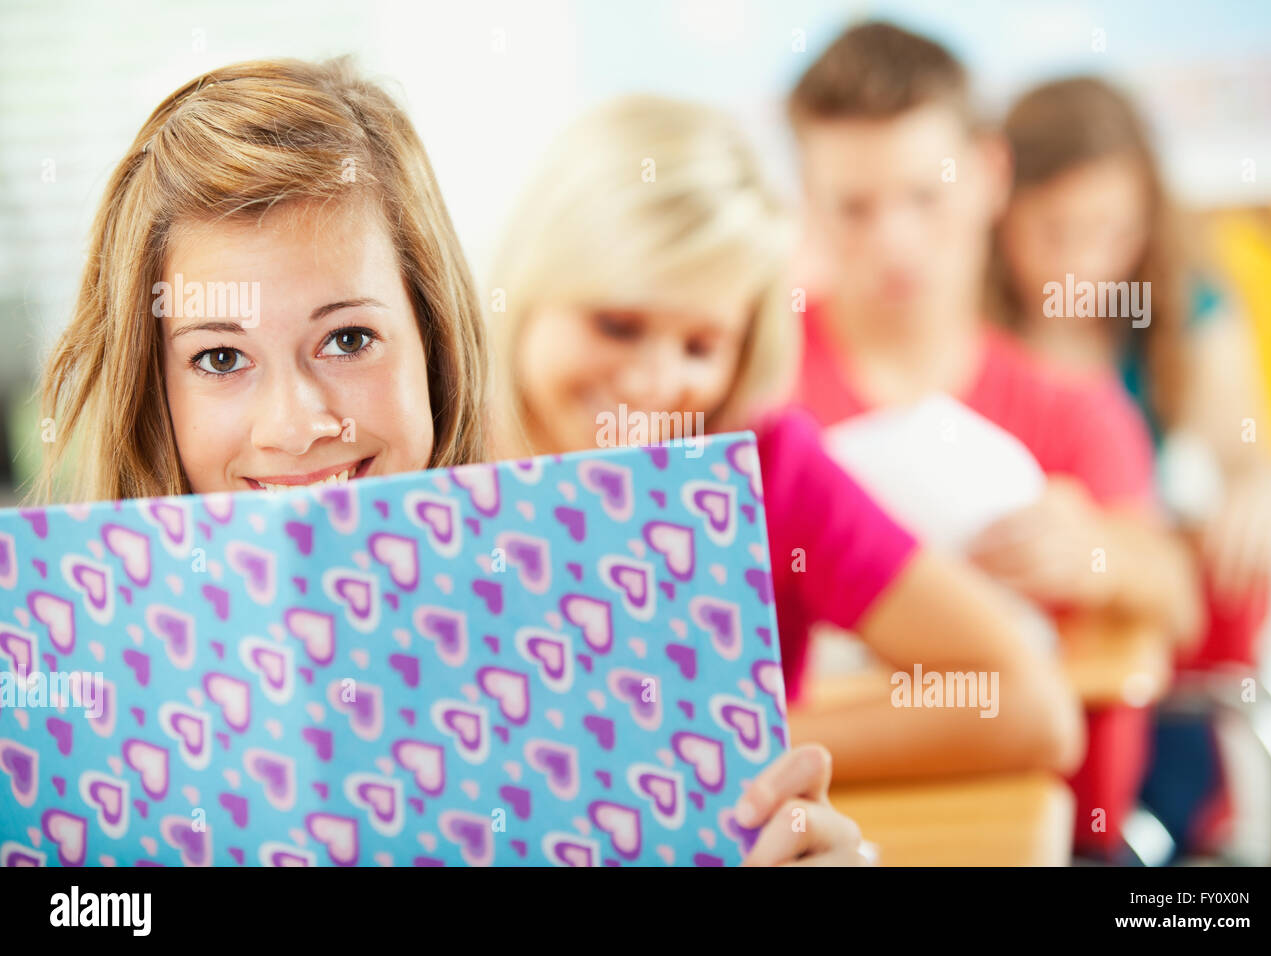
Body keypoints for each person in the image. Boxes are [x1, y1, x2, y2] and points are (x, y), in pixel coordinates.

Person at [31, 57, 857, 866]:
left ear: (434, 344)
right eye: (218, 358)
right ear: (154, 387)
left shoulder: (591, 644)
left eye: (348, 339)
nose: (294, 425)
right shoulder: (61, 712)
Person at [486, 94, 1084, 789]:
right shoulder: (438, 460)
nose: (654, 383)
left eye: (700, 345)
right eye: (616, 325)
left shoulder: (767, 468)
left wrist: (720, 750)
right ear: (530, 290)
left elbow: (1031, 705)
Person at [783, 22, 1203, 856]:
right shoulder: (759, 395)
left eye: (924, 197)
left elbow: (1179, 600)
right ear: (805, 199)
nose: (894, 241)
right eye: (853, 206)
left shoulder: (1073, 409)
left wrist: (1098, 555)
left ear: (989, 176)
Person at [991, 76, 1271, 854]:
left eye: (1111, 232)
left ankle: (1173, 819)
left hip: (1128, 590)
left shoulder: (1176, 308)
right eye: (1054, 230)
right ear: (997, 211)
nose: (1084, 265)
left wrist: (1257, 486)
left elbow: (1247, 449)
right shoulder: (975, 326)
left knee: (1231, 575)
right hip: (1010, 603)